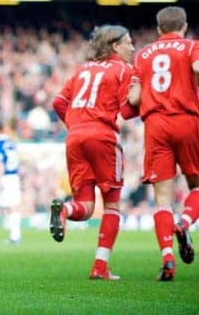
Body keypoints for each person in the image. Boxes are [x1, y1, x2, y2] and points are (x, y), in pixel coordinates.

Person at [128, 6, 199, 281]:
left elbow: (134, 99)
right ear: (184, 26)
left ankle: (167, 258)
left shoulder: (142, 54)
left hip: (155, 126)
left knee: (162, 197)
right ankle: (184, 223)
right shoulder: (193, 46)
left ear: (158, 29)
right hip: (186, 120)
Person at [51, 25, 137, 280]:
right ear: (114, 46)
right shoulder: (123, 69)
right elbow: (133, 103)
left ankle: (65, 211)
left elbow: (58, 102)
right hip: (102, 136)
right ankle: (100, 267)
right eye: (128, 43)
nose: (132, 48)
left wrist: (76, 125)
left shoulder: (82, 69)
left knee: (85, 206)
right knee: (111, 205)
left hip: (74, 137)